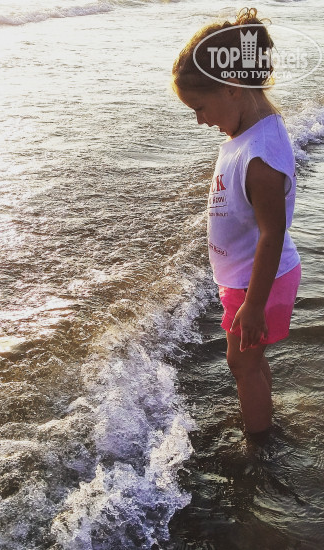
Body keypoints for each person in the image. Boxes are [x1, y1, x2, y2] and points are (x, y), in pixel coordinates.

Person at [171, 7, 301, 434]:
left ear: (230, 89)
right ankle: (263, 418)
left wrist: (254, 304)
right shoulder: (247, 136)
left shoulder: (260, 156)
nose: (200, 120)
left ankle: (258, 444)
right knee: (248, 360)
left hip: (259, 281)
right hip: (247, 279)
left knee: (241, 362)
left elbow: (273, 233)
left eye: (200, 107)